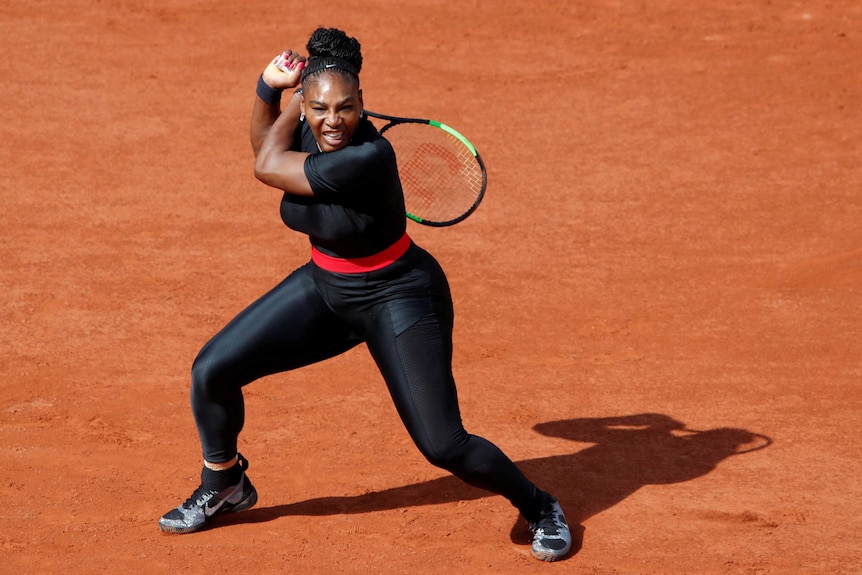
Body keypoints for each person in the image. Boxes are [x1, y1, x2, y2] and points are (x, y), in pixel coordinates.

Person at [158, 27, 572, 562]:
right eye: (323, 109)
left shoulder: (367, 156)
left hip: (398, 296)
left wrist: (294, 94)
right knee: (211, 369)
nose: (334, 120)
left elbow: (266, 164)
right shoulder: (314, 130)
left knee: (443, 445)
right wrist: (270, 91)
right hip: (327, 288)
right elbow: (265, 145)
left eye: (347, 108)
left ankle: (541, 507)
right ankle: (225, 483)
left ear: (362, 105)